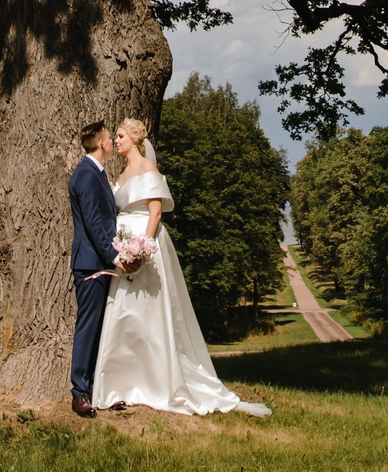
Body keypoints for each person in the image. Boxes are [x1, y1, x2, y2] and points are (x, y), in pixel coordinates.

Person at [89, 116, 270, 416]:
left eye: (120, 136)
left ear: (135, 139)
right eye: (116, 136)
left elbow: (155, 212)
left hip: (144, 246)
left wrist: (143, 249)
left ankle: (159, 382)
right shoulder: (120, 174)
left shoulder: (148, 169)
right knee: (124, 312)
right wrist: (123, 249)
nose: (116, 141)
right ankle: (122, 383)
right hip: (123, 246)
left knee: (150, 313)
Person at [68, 121, 120, 418]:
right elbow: (93, 223)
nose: (112, 141)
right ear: (101, 143)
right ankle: (79, 393)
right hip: (91, 264)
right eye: (109, 137)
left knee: (101, 326)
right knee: (88, 327)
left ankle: (98, 388)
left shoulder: (97, 174)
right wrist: (114, 256)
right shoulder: (86, 175)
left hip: (98, 262)